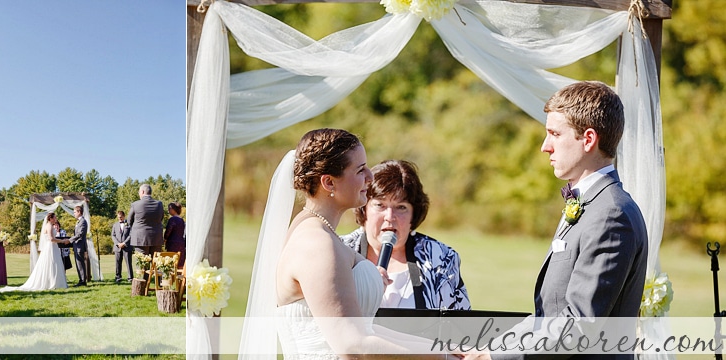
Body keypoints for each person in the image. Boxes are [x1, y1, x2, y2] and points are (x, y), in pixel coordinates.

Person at [242, 128, 458, 359]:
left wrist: (444, 349)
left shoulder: (322, 232)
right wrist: (441, 356)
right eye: (359, 170)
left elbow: (365, 329)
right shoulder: (316, 244)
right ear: (329, 183)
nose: (370, 176)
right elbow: (352, 347)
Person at [471, 81, 649, 360]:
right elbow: (548, 315)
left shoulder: (611, 215)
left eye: (554, 134)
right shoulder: (588, 204)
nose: (545, 147)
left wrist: (495, 358)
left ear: (588, 139)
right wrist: (489, 348)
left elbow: (578, 326)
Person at [341, 160, 471, 310]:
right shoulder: (341, 251)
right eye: (380, 205)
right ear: (363, 209)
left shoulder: (440, 258)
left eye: (401, 207)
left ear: (413, 214)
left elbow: (459, 325)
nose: (390, 216)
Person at [0, 212, 68, 292]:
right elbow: (51, 239)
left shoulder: (51, 226)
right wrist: (62, 241)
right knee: (51, 263)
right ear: (50, 218)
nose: (56, 219)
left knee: (54, 264)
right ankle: (50, 283)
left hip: (53, 247)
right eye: (55, 218)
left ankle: (55, 282)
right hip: (50, 248)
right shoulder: (49, 226)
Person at [128, 184, 164, 257]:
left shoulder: (135, 204)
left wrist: (137, 229)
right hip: (156, 238)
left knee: (142, 265)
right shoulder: (159, 204)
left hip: (140, 238)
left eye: (139, 192)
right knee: (156, 264)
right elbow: (161, 218)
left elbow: (129, 221)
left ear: (142, 192)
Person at [64, 205, 89, 287]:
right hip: (76, 246)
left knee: (80, 264)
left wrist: (70, 240)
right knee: (78, 264)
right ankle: (81, 280)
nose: (74, 214)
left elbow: (80, 234)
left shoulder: (83, 221)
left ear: (79, 212)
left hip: (80, 246)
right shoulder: (78, 221)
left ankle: (83, 281)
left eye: (74, 212)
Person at [111, 210, 133, 283]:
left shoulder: (129, 224)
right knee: (118, 263)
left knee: (128, 263)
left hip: (127, 247)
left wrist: (124, 243)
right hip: (117, 247)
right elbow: (113, 235)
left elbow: (130, 235)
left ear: (124, 216)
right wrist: (118, 243)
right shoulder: (115, 225)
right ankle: (118, 277)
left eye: (121, 217)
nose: (120, 218)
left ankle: (130, 277)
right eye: (118, 217)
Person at [163, 202, 185, 268]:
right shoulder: (182, 220)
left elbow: (168, 231)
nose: (168, 210)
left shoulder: (172, 219)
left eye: (169, 209)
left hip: (172, 243)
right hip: (181, 243)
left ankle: (171, 277)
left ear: (173, 209)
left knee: (171, 262)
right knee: (179, 262)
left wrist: (165, 239)